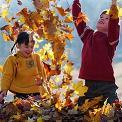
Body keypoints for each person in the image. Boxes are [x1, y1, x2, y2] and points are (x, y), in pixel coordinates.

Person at [72, 0, 120, 106]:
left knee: (114, 108)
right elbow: (78, 20)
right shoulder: (88, 34)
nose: (102, 19)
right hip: (89, 84)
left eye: (107, 18)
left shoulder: (111, 39)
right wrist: (76, 2)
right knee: (83, 108)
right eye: (101, 17)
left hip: (106, 84)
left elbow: (114, 25)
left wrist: (113, 8)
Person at [0, 31, 47, 102]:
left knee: (38, 108)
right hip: (20, 92)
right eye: (26, 46)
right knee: (22, 108)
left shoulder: (36, 58)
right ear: (18, 45)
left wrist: (44, 84)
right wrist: (4, 90)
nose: (30, 49)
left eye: (31, 47)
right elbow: (7, 76)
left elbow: (42, 73)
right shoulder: (13, 59)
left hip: (36, 92)